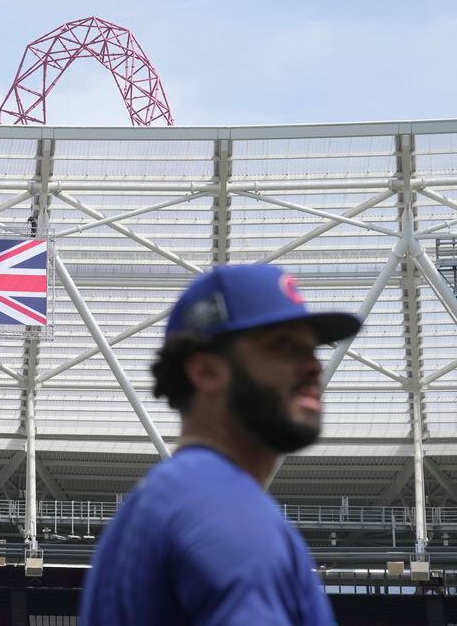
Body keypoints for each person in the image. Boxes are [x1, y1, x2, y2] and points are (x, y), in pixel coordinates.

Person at [79, 263, 361, 625]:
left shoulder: (168, 499)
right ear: (207, 372)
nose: (314, 367)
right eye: (284, 346)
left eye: (313, 349)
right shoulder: (223, 508)